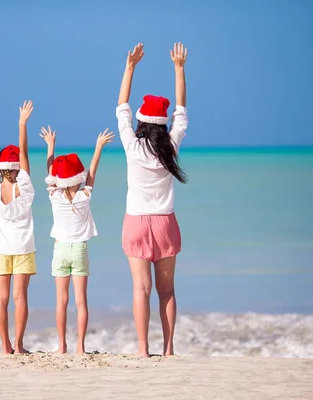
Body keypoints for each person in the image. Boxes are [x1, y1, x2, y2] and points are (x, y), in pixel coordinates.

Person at [116, 42, 189, 357]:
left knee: (140, 290)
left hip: (135, 223)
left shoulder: (133, 146)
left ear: (142, 122)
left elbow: (121, 107)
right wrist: (179, 68)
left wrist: (130, 67)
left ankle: (143, 350)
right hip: (164, 224)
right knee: (167, 291)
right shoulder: (170, 147)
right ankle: (169, 349)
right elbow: (181, 112)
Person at [40, 126, 114, 354]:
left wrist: (50, 146)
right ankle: (80, 347)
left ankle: (62, 345)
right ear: (78, 179)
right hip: (80, 250)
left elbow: (51, 173)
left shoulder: (54, 196)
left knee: (61, 300)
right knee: (81, 301)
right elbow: (92, 171)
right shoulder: (84, 196)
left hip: (60, 250)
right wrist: (99, 146)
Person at [0, 101, 36, 354]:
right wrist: (22, 123)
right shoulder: (26, 186)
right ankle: (20, 345)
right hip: (23, 247)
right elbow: (24, 154)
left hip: (0, 248)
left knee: (1, 299)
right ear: (19, 169)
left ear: (0, 168)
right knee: (20, 297)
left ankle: (5, 346)